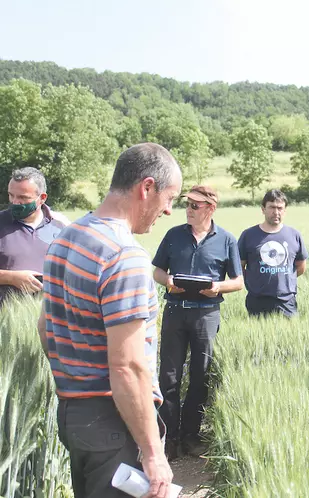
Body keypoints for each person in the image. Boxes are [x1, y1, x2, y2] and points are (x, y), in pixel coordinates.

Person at [39, 143, 182, 498]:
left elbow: (45, 327)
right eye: (169, 198)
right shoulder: (124, 255)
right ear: (146, 188)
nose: (167, 210)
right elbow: (128, 367)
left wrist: (77, 376)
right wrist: (152, 453)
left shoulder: (67, 237)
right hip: (116, 421)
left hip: (75, 414)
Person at [151, 185, 243, 460]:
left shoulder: (226, 240)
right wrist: (167, 281)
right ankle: (168, 439)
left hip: (207, 314)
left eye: (195, 205)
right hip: (175, 311)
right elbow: (157, 270)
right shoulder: (173, 235)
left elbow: (238, 282)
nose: (188, 209)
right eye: (187, 204)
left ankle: (191, 436)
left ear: (210, 208)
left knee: (200, 376)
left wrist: (217, 287)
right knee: (168, 376)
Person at [0, 167, 69, 307]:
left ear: (42, 198)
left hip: (49, 318)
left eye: (22, 197)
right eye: (11, 195)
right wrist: (11, 278)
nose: (15, 202)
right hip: (5, 320)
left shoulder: (62, 227)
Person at [238, 189, 308, 317]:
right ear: (263, 209)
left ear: (285, 210)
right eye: (271, 207)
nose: (276, 212)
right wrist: (254, 281)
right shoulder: (248, 235)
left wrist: (284, 279)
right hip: (257, 300)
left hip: (286, 300)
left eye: (280, 208)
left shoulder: (294, 235)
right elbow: (239, 266)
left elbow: (300, 266)